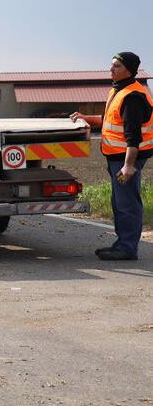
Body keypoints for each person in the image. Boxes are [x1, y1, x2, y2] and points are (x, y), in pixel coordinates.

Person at [71, 51, 152, 261]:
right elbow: (107, 118)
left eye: (116, 66)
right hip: (116, 157)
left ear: (129, 70)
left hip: (125, 159)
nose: (111, 69)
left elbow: (132, 136)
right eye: (112, 65)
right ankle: (122, 244)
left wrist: (128, 166)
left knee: (126, 203)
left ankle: (127, 248)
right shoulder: (119, 90)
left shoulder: (133, 96)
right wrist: (85, 117)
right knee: (119, 202)